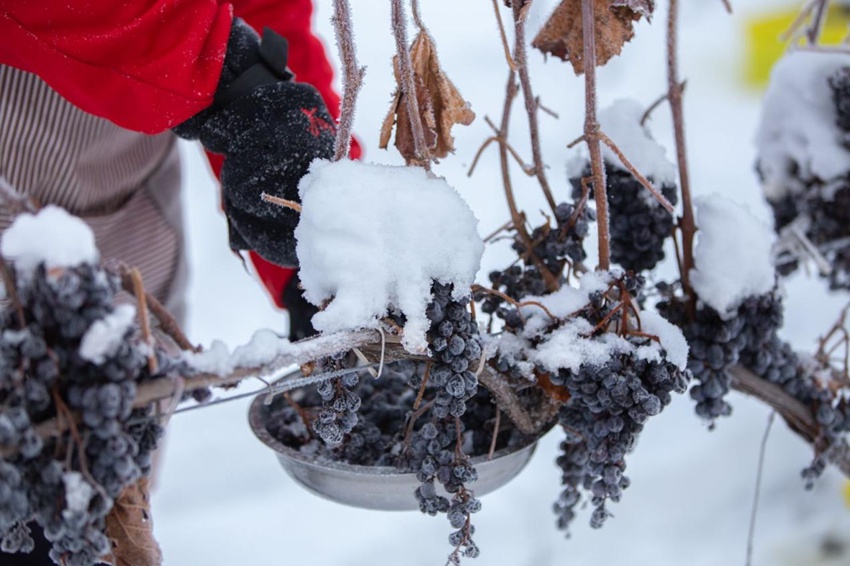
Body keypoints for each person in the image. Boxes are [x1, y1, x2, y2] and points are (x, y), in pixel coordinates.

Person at [0, 0, 359, 563]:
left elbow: (265, 15)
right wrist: (221, 67)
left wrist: (317, 252)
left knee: (82, 509)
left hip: (110, 192)